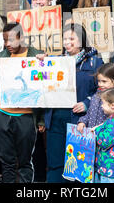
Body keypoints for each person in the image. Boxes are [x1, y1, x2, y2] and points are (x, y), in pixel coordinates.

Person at [0, 22, 44, 183]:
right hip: (3, 115)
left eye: (11, 40)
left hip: (26, 116)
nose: (7, 44)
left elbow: (45, 90)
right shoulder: (0, 58)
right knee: (6, 162)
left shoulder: (37, 56)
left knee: (25, 162)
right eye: (5, 40)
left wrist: (40, 119)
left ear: (22, 38)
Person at [44, 23, 103, 182]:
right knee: (55, 164)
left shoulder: (94, 62)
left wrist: (87, 103)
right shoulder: (55, 61)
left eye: (72, 38)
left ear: (82, 40)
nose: (67, 42)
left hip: (80, 120)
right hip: (55, 119)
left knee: (78, 165)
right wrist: (42, 64)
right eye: (64, 39)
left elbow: (102, 90)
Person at [77, 63, 114, 133]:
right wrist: (82, 122)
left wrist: (102, 128)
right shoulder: (96, 95)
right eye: (99, 81)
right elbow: (89, 113)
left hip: (110, 140)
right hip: (93, 137)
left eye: (104, 81)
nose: (100, 84)